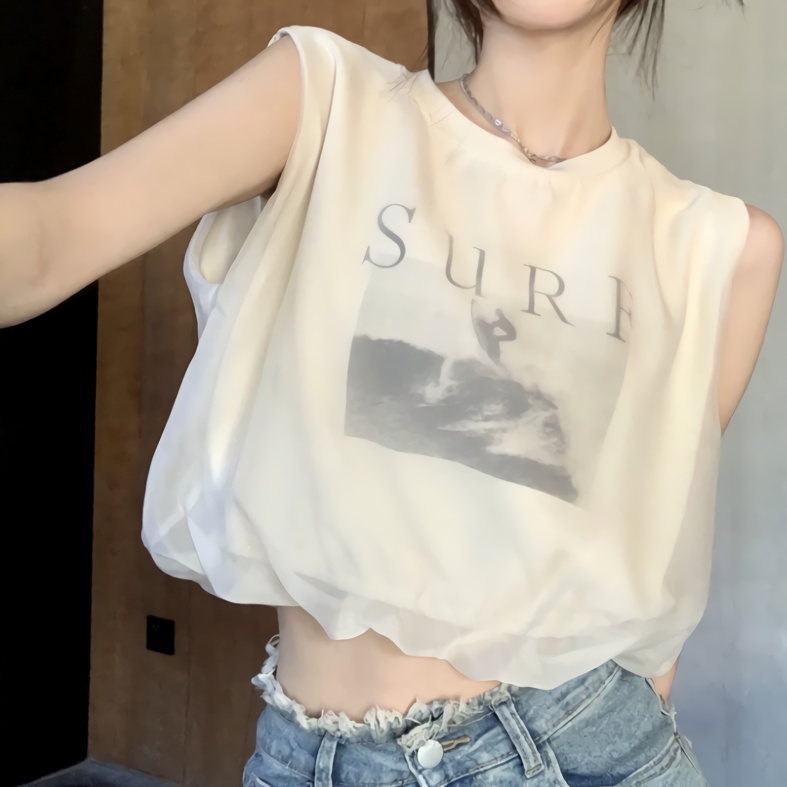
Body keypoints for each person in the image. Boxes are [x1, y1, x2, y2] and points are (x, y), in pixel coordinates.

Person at [1, 1, 783, 785]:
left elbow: (641, 567)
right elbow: (45, 238)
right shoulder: (325, 100)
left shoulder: (718, 247)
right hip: (308, 755)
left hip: (585, 747)